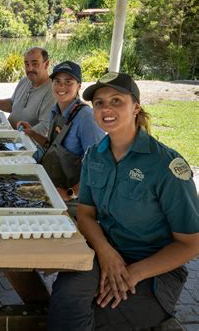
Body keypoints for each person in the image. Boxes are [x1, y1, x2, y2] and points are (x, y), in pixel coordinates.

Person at [48, 72, 199, 330]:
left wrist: (134, 273)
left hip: (154, 270)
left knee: (101, 317)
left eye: (116, 101)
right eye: (99, 103)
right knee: (65, 297)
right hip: (103, 253)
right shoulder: (94, 156)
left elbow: (190, 244)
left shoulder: (166, 165)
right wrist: (106, 253)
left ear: (136, 108)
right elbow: (85, 214)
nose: (106, 108)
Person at [16, 61, 104, 217]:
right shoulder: (55, 110)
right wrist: (32, 133)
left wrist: (70, 193)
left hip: (75, 198)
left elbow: (98, 165)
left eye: (68, 82)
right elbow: (53, 146)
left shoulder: (86, 118)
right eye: (57, 81)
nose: (61, 86)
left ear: (79, 86)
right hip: (52, 182)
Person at [0, 46, 55, 136]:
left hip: (26, 143)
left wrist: (16, 137)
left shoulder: (53, 90)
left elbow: (44, 128)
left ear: (46, 64)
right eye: (27, 64)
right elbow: (12, 105)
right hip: (9, 134)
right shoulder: (25, 80)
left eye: (35, 64)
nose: (30, 69)